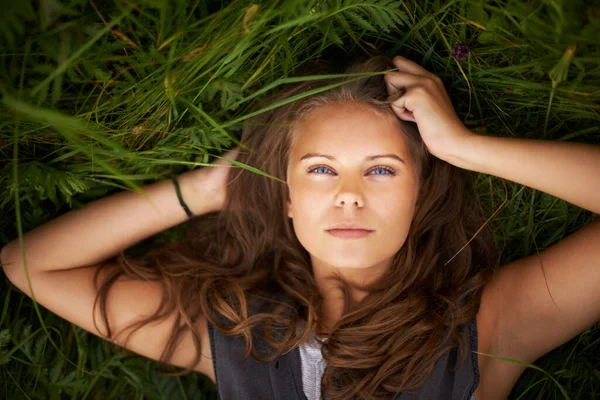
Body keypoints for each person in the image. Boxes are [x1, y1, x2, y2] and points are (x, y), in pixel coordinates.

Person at [2, 55, 599, 400]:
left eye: (382, 170)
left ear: (421, 195)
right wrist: (208, 190)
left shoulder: (484, 328)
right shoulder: (235, 339)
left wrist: (466, 149)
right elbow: (31, 265)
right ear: (286, 198)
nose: (348, 196)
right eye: (319, 169)